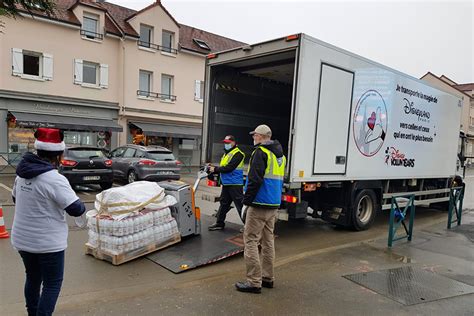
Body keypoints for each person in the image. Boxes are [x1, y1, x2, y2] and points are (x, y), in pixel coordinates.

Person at [11, 128, 86, 316]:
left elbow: (15, 199)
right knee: (52, 284)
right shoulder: (54, 179)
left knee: (33, 277)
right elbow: (76, 208)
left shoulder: (21, 174)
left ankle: (32, 313)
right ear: (59, 155)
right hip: (47, 243)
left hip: (23, 240)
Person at [235, 124, 286, 294]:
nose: (253, 137)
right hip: (272, 205)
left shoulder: (260, 153)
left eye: (255, 135)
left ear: (262, 136)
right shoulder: (280, 155)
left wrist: (246, 202)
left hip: (258, 205)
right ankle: (267, 278)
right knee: (268, 241)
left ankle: (253, 282)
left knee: (250, 241)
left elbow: (255, 180)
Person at [208, 135, 245, 230]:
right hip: (226, 183)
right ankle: (219, 223)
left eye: (228, 143)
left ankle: (248, 226)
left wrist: (215, 169)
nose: (226, 144)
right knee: (224, 203)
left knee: (240, 205)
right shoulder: (226, 154)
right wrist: (213, 169)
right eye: (225, 143)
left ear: (233, 142)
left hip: (235, 184)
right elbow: (224, 167)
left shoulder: (238, 154)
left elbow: (229, 168)